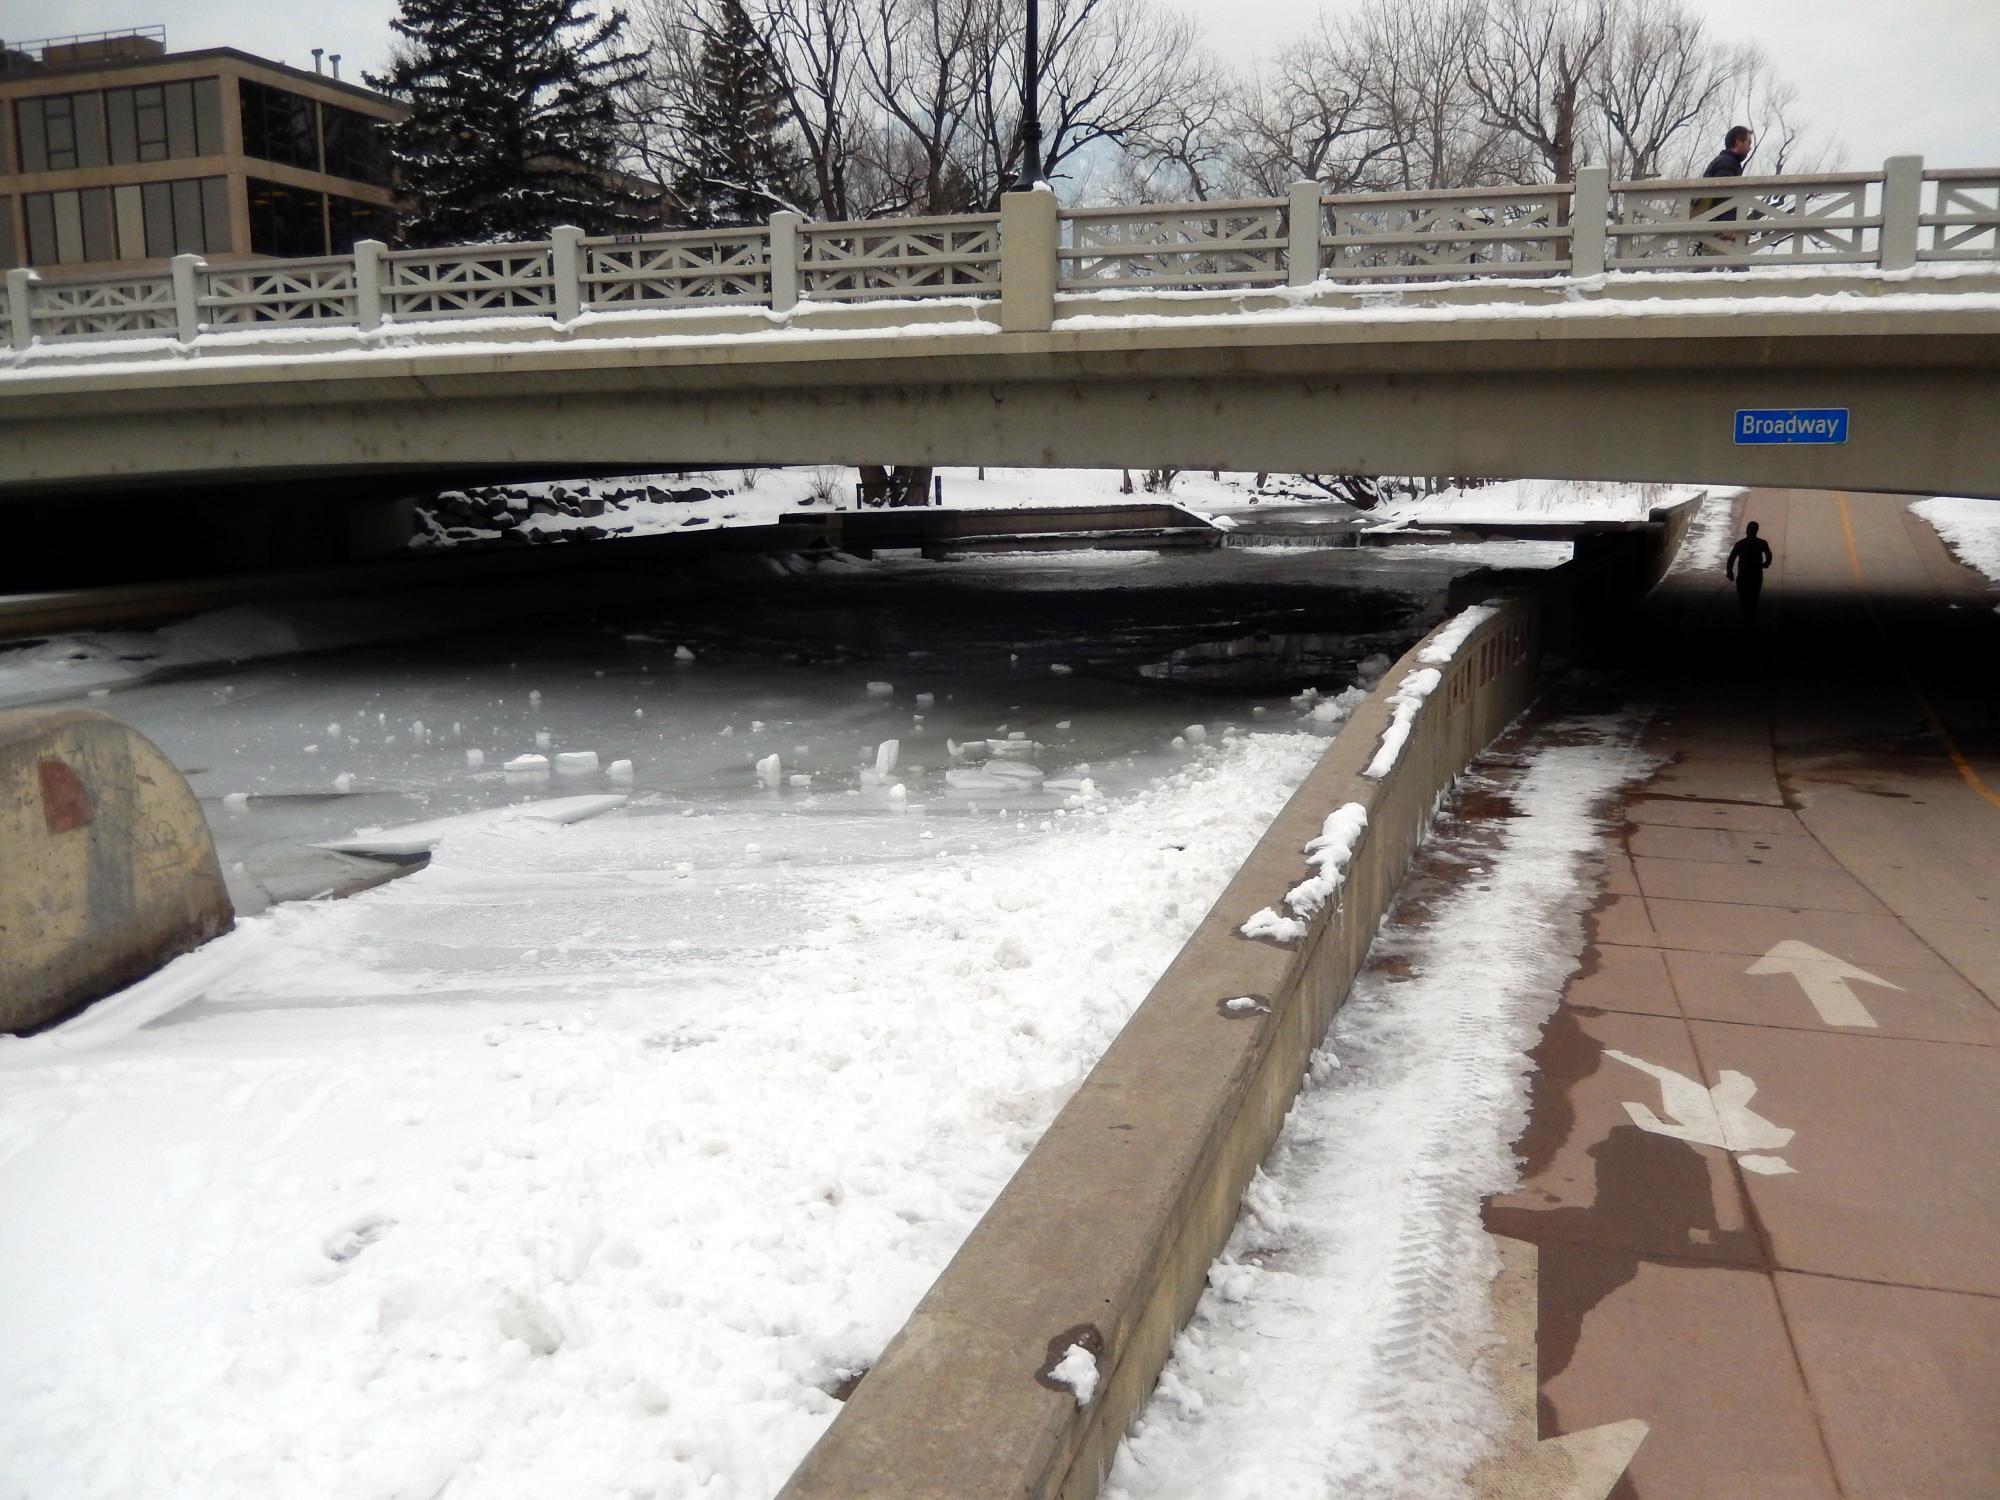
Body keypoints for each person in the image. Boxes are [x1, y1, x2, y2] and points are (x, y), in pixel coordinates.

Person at [1694, 126, 1755, 263]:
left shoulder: (1727, 161)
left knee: (1726, 265)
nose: (1750, 147)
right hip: (1718, 226)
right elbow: (1723, 196)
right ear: (1738, 142)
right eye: (1748, 142)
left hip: (1714, 223)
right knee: (1714, 267)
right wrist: (1727, 226)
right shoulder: (1727, 163)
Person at [1726, 520, 1773, 630]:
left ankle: (1747, 618)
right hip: (1756, 576)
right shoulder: (1762, 543)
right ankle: (1750, 619)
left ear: (1747, 531)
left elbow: (1731, 558)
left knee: (1743, 598)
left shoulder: (1740, 544)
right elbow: (1769, 555)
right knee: (1754, 597)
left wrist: (1729, 571)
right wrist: (1766, 564)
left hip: (1743, 576)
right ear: (1756, 531)